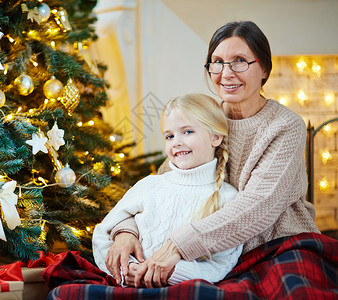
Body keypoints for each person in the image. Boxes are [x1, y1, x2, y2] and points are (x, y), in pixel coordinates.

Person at [105, 20, 320, 288]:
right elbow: (161, 187)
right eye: (217, 62)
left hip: (278, 247)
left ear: (264, 68)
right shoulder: (204, 119)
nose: (226, 73)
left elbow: (258, 207)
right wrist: (126, 231)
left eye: (239, 60)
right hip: (211, 257)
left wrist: (177, 246)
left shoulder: (286, 126)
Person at [93, 94, 243, 287]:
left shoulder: (228, 198)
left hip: (182, 290)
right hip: (130, 286)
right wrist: (126, 268)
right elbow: (102, 233)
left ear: (215, 137)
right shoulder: (149, 185)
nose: (176, 142)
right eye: (169, 136)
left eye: (188, 132)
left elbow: (222, 264)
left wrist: (172, 273)